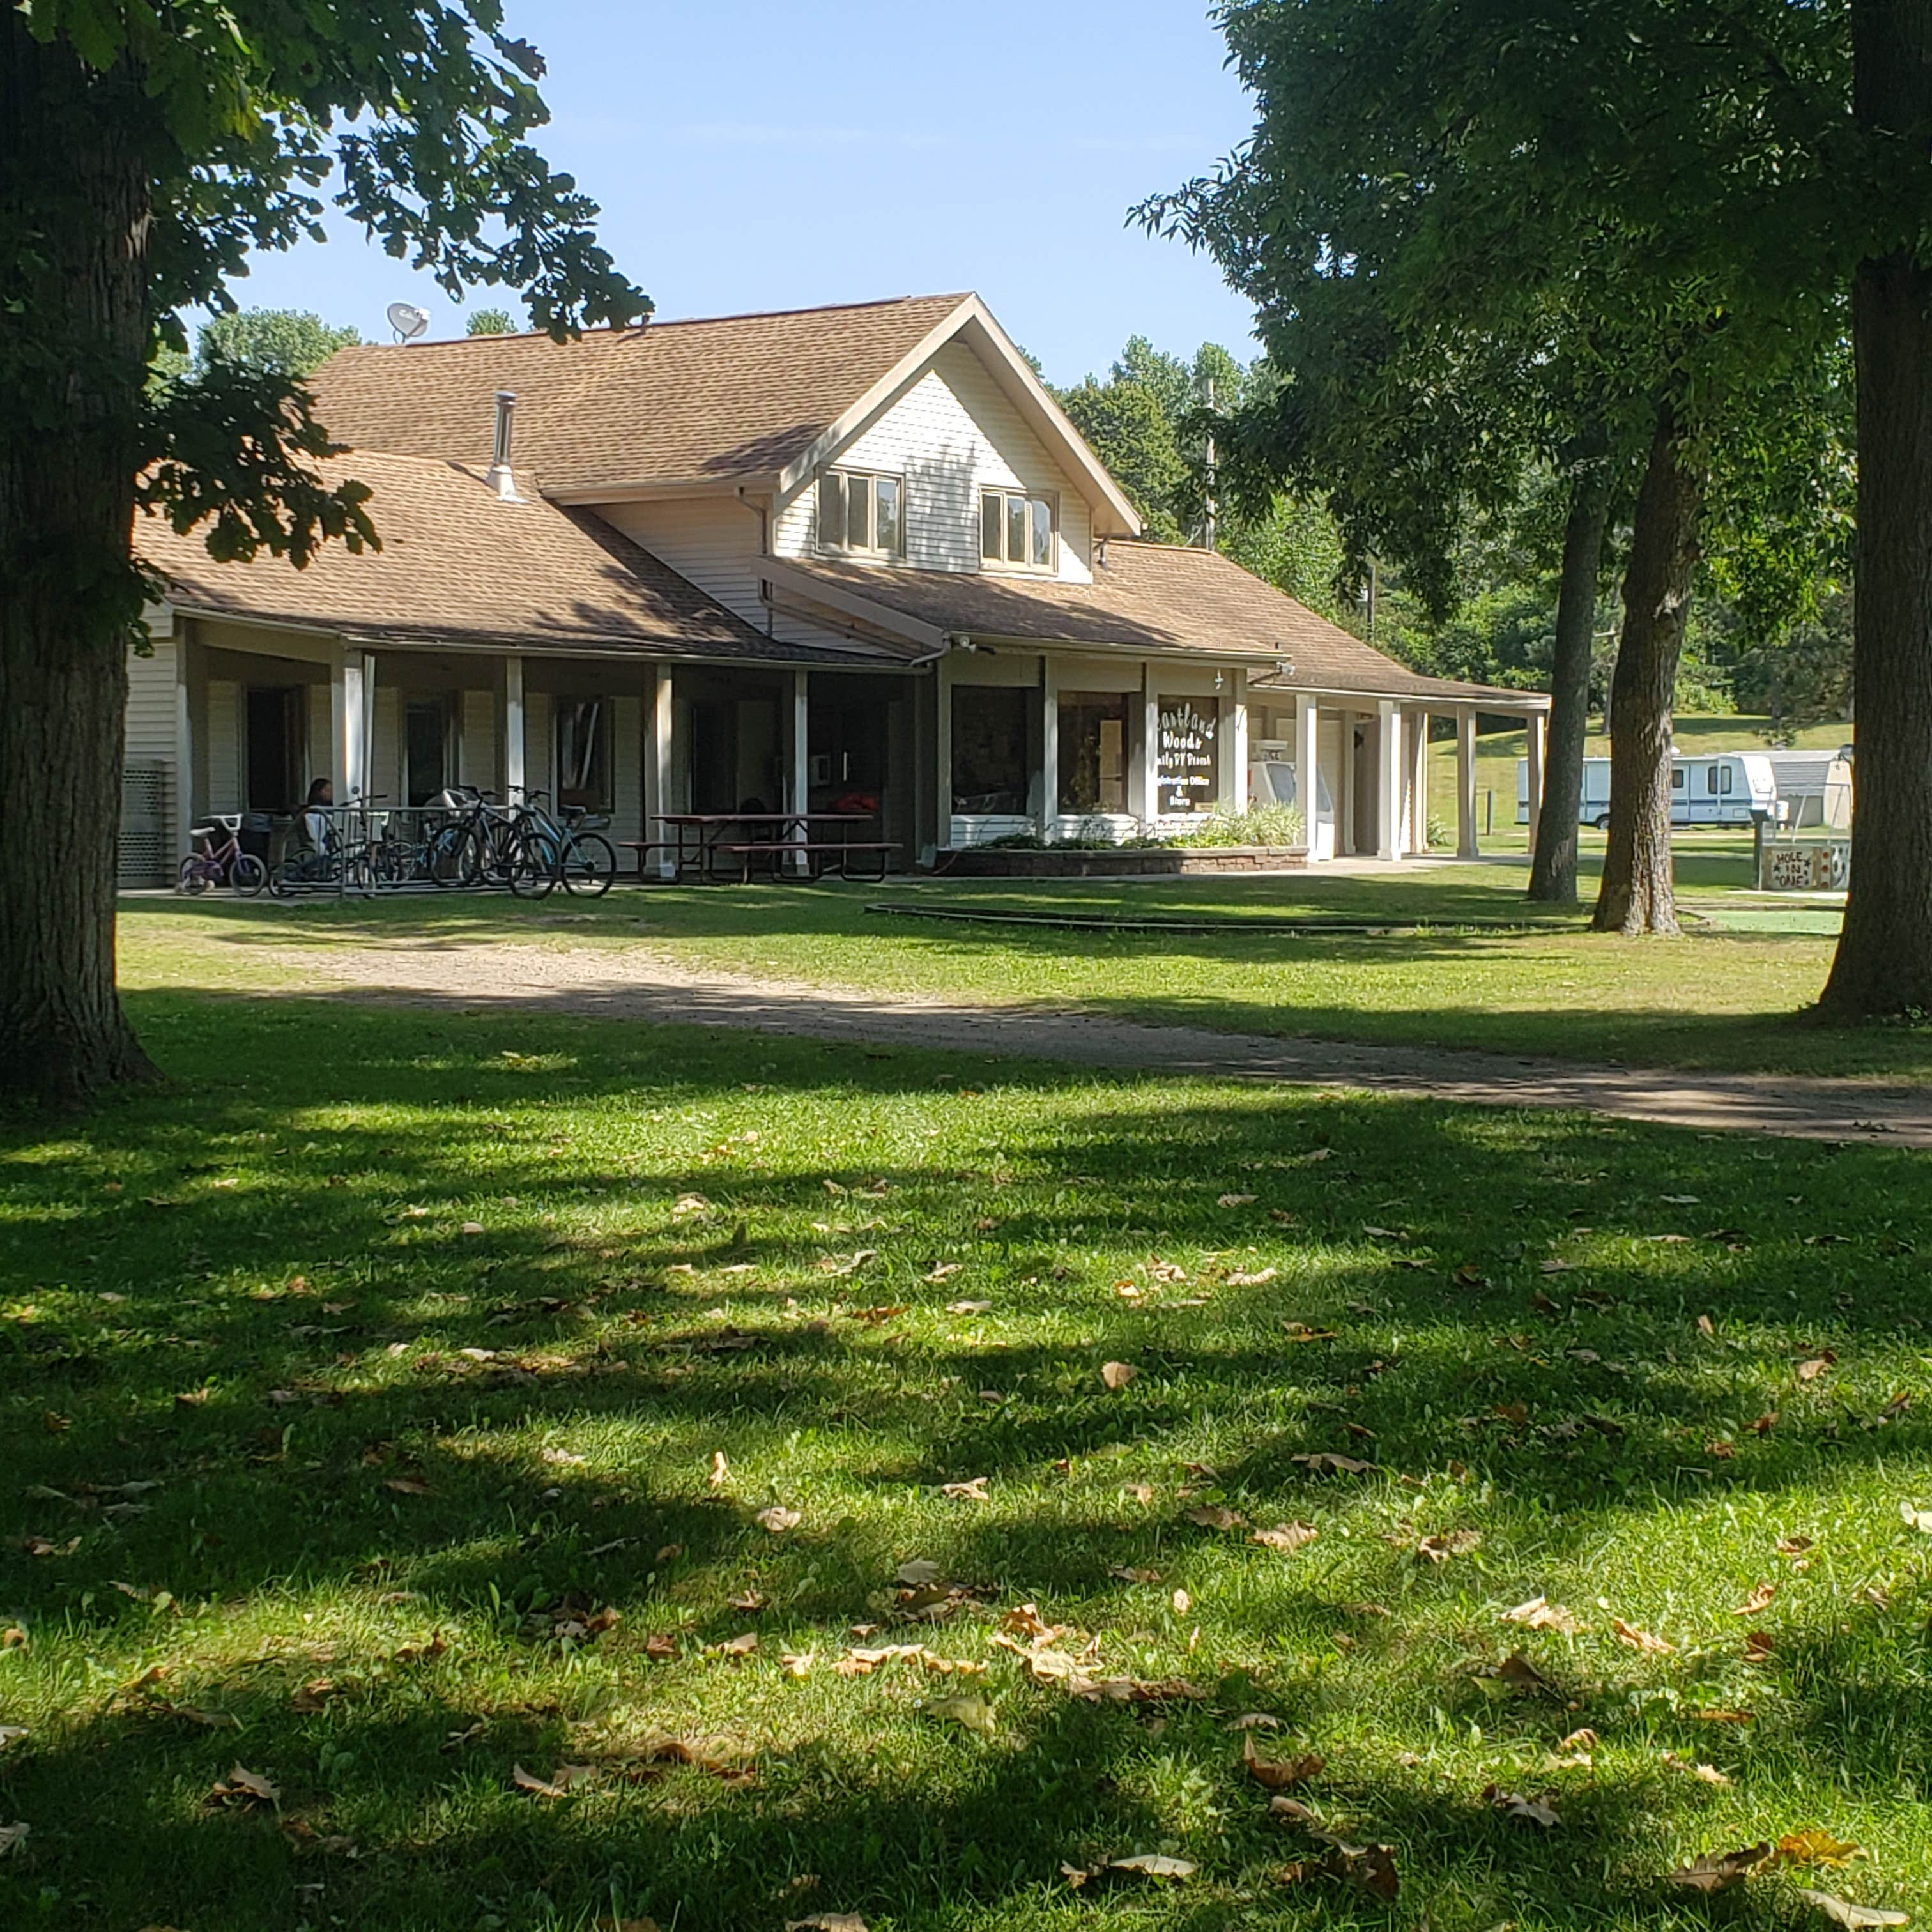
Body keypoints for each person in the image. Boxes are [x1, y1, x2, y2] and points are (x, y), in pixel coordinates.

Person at [301, 778, 334, 853]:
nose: (330, 793)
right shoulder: (316, 809)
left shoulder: (328, 806)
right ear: (320, 792)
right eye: (327, 790)